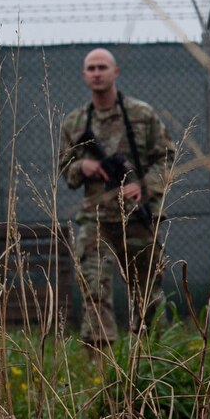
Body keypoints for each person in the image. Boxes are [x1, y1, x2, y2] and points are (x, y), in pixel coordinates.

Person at [55, 48, 175, 345]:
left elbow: (167, 158)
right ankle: (101, 369)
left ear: (115, 72)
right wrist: (83, 166)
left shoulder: (141, 115)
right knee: (94, 290)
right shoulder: (75, 122)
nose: (97, 73)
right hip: (96, 220)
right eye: (91, 68)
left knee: (147, 294)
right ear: (84, 75)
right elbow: (65, 168)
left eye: (102, 67)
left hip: (137, 217)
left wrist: (144, 186)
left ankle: (152, 359)